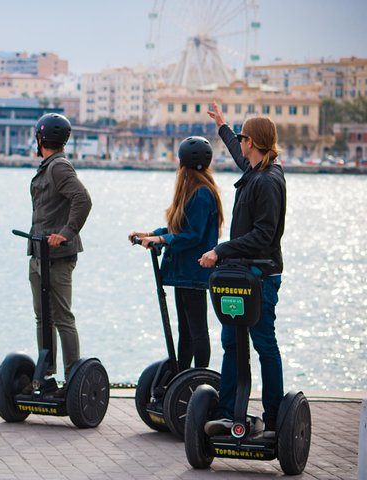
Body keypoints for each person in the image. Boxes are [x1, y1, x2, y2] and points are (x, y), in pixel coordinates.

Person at [200, 103, 287, 436]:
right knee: (232, 342)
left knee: (264, 344)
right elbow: (239, 155)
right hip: (242, 274)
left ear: (254, 141)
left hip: (262, 276)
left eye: (242, 138)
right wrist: (223, 125)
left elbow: (264, 235)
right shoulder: (255, 169)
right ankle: (226, 413)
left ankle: (276, 419)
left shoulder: (267, 181)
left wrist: (219, 250)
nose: (241, 143)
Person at [131, 136, 224, 371]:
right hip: (184, 272)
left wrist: (162, 239)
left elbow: (193, 234)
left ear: (183, 164)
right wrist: (150, 233)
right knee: (186, 330)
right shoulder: (192, 191)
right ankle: (182, 375)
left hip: (194, 271)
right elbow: (179, 228)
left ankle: (200, 376)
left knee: (197, 330)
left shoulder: (202, 194)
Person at [27, 113, 92, 384]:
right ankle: (47, 373)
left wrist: (65, 234)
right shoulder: (48, 166)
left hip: (58, 257)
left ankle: (73, 377)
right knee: (43, 317)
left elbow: (83, 200)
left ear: (40, 139)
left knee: (62, 316)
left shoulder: (58, 167)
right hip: (39, 253)